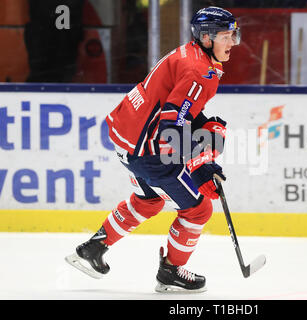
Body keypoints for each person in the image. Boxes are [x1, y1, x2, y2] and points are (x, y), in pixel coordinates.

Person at [65, 6, 240, 293]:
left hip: (125, 138)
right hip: (146, 151)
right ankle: (170, 273)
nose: (232, 42)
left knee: (149, 200)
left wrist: (204, 135)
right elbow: (171, 126)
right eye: (226, 36)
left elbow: (172, 107)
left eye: (234, 35)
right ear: (207, 38)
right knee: (198, 211)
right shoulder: (201, 71)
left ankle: (92, 249)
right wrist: (202, 167)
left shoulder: (188, 52)